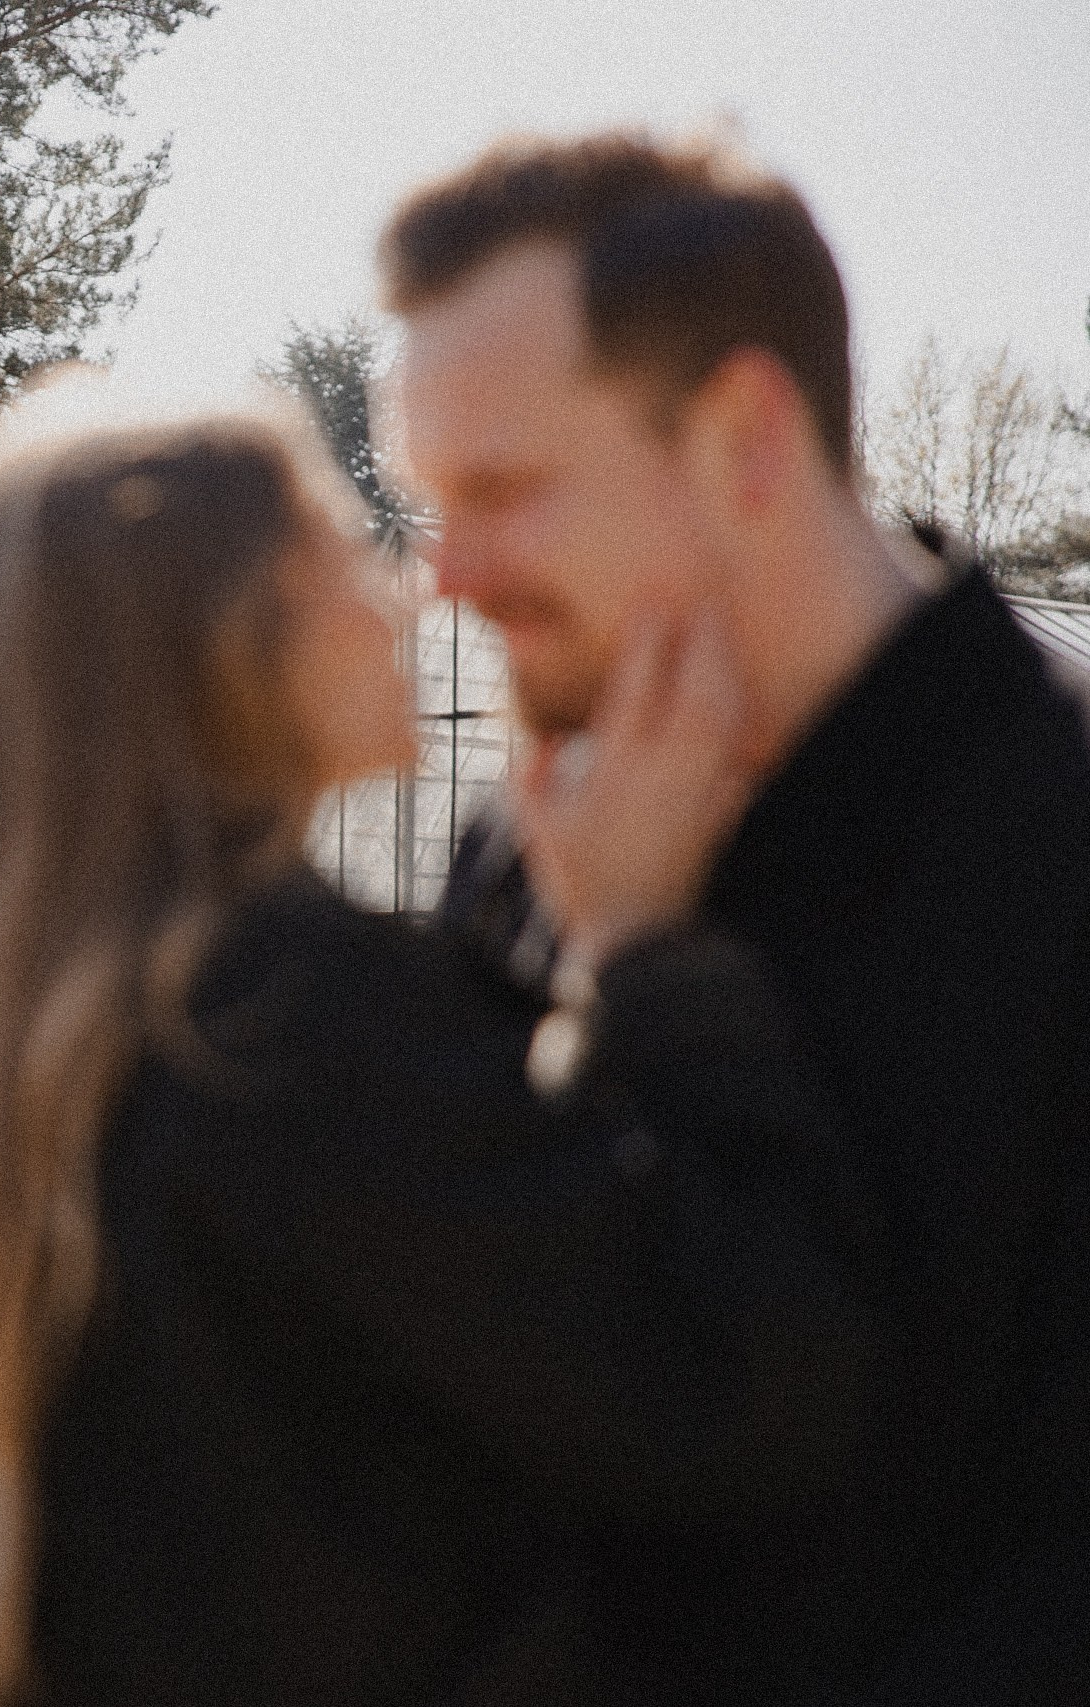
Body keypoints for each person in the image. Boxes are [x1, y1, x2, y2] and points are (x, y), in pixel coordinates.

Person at [0, 397, 878, 1707]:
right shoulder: (288, 1028)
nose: (418, 594)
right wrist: (650, 954)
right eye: (347, 553)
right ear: (223, 638)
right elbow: (755, 1387)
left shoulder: (39, 1061)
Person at [388, 132, 1090, 1701]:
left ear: (747, 438)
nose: (449, 575)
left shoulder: (1058, 850)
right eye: (426, 502)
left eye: (501, 489)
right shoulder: (526, 855)